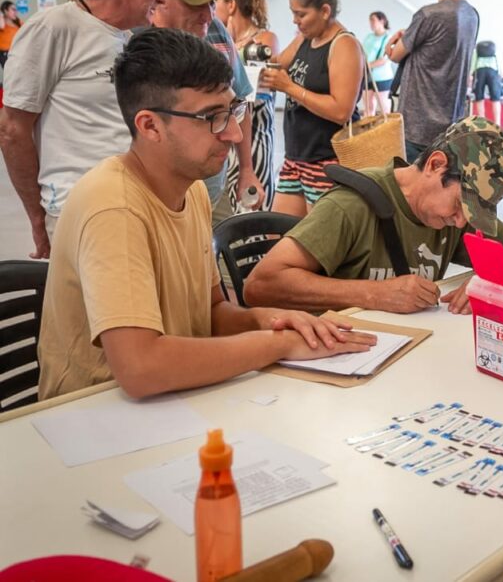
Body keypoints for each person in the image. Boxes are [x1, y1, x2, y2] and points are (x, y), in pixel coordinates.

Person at [37, 28, 376, 401]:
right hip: (97, 412)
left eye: (233, 111)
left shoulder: (192, 190)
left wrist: (268, 320)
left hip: (178, 399)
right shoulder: (113, 206)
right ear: (150, 126)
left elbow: (211, 312)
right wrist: (276, 345)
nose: (233, 134)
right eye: (211, 117)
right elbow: (139, 368)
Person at [244, 117, 503, 315]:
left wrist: (490, 284)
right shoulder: (350, 206)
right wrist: (373, 294)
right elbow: (260, 284)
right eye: (460, 205)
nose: (461, 222)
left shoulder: (448, 215)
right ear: (435, 165)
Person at [0, 0, 164, 259]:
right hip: (83, 211)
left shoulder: (126, 38)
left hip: (133, 201)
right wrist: (38, 218)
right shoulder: (53, 28)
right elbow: (12, 130)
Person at [152, 0, 263, 214]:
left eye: (212, 3)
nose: (208, 14)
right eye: (195, 3)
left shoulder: (216, 31)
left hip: (211, 189)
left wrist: (247, 169)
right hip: (159, 196)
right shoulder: (137, 38)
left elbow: (241, 102)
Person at [260, 0, 364, 216]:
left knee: (319, 237)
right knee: (277, 231)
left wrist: (289, 87)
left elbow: (341, 111)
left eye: (301, 14)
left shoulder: (344, 45)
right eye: (293, 13)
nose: (295, 21)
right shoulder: (305, 37)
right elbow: (277, 63)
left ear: (325, 11)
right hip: (296, 158)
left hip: (326, 161)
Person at [385, 0, 479, 162]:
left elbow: (395, 55)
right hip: (451, 130)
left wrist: (394, 41)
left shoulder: (429, 15)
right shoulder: (472, 15)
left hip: (417, 132)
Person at [216, 0, 281, 212]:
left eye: (215, 2)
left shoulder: (265, 39)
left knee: (253, 203)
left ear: (231, 5)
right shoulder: (225, 40)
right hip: (230, 132)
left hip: (256, 136)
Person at [362, 11, 393, 115]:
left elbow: (384, 59)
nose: (371, 23)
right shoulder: (369, 37)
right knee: (368, 106)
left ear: (382, 21)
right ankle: (369, 125)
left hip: (382, 77)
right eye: (370, 21)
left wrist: (365, 66)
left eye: (373, 20)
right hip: (367, 77)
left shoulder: (388, 38)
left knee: (384, 108)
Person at [471, 40, 501, 122]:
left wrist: (471, 75)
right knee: (496, 99)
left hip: (479, 72)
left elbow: (473, 63)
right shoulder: (494, 49)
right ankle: (497, 123)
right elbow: (499, 62)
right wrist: (501, 73)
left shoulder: (476, 50)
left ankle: (482, 122)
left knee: (479, 98)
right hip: (492, 72)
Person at [0, 0, 24, 67]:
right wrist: (1, 14)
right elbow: (2, 26)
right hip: (6, 53)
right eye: (13, 9)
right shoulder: (2, 22)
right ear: (5, 11)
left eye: (16, 10)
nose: (16, 12)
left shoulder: (18, 22)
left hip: (18, 51)